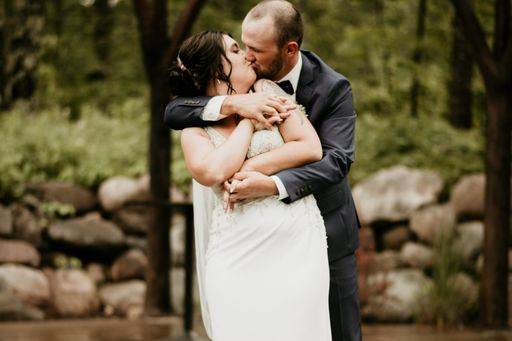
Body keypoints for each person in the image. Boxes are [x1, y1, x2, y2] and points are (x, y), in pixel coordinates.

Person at [165, 2, 362, 341]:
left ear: (289, 50)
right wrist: (236, 105)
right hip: (241, 246)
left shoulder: (333, 88)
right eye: (242, 45)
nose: (248, 56)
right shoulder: (235, 94)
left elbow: (334, 160)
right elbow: (173, 112)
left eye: (255, 50)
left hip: (321, 234)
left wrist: (268, 182)